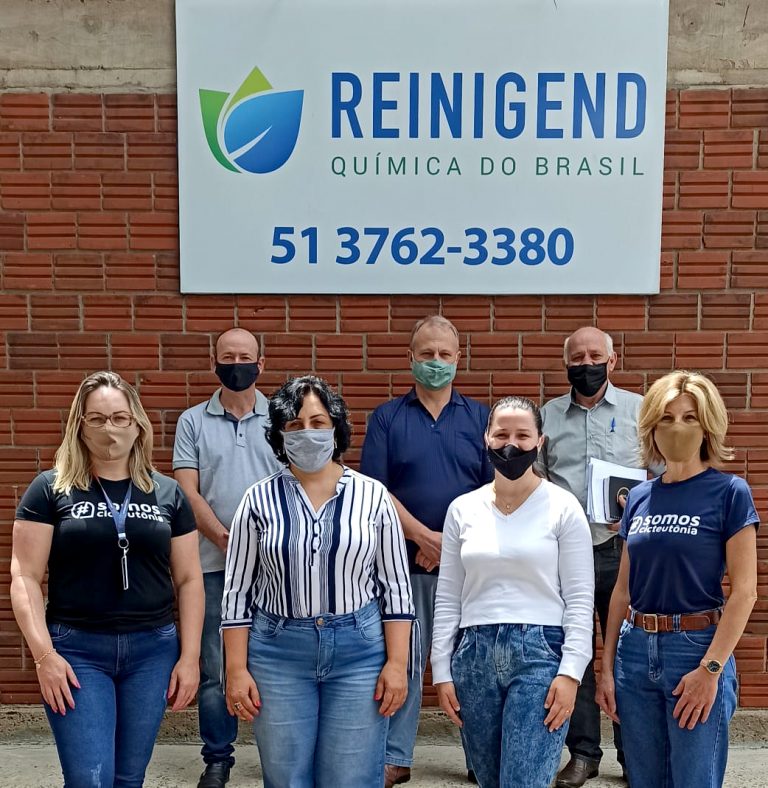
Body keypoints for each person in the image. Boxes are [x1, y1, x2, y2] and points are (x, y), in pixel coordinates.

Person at [10, 371, 204, 788]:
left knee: (128, 778)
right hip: (76, 650)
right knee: (88, 780)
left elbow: (189, 579)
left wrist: (189, 658)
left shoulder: (168, 493)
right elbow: (25, 576)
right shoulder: (50, 489)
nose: (109, 429)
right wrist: (44, 656)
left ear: (137, 424)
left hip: (153, 651)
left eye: (119, 418)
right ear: (79, 426)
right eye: (96, 419)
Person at [221, 375, 414, 788]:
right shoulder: (256, 500)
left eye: (318, 422)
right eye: (294, 425)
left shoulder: (373, 496)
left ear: (336, 427)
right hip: (278, 654)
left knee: (351, 776)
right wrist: (235, 669)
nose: (307, 432)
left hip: (360, 654)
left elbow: (396, 589)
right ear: (280, 435)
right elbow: (237, 592)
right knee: (286, 777)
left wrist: (398, 665)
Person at [596, 371, 758, 788]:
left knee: (693, 780)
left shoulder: (730, 492)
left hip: (696, 650)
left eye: (690, 417)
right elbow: (622, 592)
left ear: (708, 426)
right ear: (652, 427)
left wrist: (711, 669)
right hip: (635, 652)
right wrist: (608, 669)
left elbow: (744, 593)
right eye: (666, 418)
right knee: (643, 779)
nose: (677, 427)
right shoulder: (639, 497)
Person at [432, 395, 595, 788]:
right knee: (489, 780)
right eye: (501, 434)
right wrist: (441, 669)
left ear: (539, 442)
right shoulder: (462, 510)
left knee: (524, 781)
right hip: (473, 655)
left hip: (540, 654)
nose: (511, 443)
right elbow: (448, 596)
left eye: (523, 435)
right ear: (486, 439)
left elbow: (580, 599)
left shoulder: (563, 507)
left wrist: (571, 672)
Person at [360, 314, 493, 787]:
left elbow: (494, 492)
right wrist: (421, 536)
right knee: (406, 658)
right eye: (427, 353)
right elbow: (374, 491)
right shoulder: (387, 418)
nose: (435, 362)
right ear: (410, 358)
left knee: (470, 662)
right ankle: (396, 756)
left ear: (459, 359)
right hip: (402, 563)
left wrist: (447, 545)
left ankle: (481, 758)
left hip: (469, 565)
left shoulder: (482, 418)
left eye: (444, 354)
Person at [173, 327, 281, 788]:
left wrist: (263, 543)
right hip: (212, 566)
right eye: (228, 356)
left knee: (277, 664)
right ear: (214, 362)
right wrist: (223, 537)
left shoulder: (282, 417)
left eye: (245, 356)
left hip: (276, 566)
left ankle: (280, 756)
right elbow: (186, 490)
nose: (237, 364)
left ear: (261, 363)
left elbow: (294, 483)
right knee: (216, 668)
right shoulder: (192, 421)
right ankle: (218, 758)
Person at [539, 326, 645, 787]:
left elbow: (663, 475)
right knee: (576, 654)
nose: (587, 364)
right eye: (578, 357)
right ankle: (583, 753)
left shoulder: (640, 411)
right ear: (566, 364)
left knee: (625, 653)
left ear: (612, 360)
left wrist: (639, 512)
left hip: (625, 552)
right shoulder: (546, 416)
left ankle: (632, 753)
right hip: (568, 554)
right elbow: (536, 483)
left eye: (595, 356)